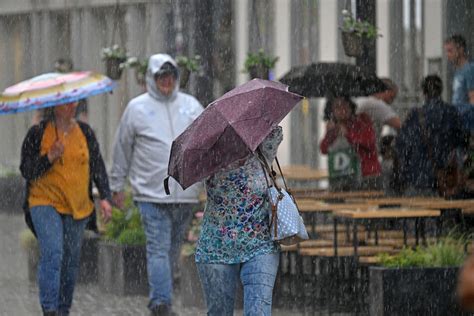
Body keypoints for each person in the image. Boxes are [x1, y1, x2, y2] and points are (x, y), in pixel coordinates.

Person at [109, 54, 203, 316]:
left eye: (171, 76)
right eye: (162, 77)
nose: (167, 81)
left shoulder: (191, 106)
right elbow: (122, 149)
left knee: (172, 250)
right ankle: (161, 302)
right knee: (159, 249)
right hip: (151, 195)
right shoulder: (136, 109)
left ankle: (162, 297)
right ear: (152, 78)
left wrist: (208, 181)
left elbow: (205, 144)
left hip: (185, 194)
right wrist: (116, 185)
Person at [20, 102, 112, 316]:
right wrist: (49, 158)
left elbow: (97, 165)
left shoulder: (85, 132)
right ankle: (49, 309)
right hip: (44, 202)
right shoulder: (37, 133)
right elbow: (27, 170)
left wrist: (105, 197)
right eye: (65, 102)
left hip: (78, 206)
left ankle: (63, 309)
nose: (72, 106)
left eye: (74, 101)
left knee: (70, 262)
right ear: (54, 106)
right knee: (53, 252)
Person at [195, 126, 283, 316]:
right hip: (216, 248)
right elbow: (194, 176)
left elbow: (274, 130)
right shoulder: (209, 159)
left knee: (258, 311)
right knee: (219, 312)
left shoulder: (262, 150)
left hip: (260, 245)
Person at [395, 75, 468, 197]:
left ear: (424, 92)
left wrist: (402, 176)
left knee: (417, 213)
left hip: (417, 179)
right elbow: (462, 142)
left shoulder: (415, 115)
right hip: (446, 181)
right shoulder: (451, 113)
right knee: (446, 213)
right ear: (441, 91)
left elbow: (402, 146)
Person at [320, 96, 381, 190]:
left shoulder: (362, 121)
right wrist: (330, 134)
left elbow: (369, 143)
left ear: (351, 107)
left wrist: (348, 134)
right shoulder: (333, 128)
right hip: (340, 177)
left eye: (345, 105)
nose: (342, 110)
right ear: (331, 111)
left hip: (367, 176)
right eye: (337, 107)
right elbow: (324, 149)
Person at [355, 78, 401, 147]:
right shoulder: (376, 104)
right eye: (391, 97)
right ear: (386, 91)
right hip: (364, 149)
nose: (391, 102)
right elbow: (401, 126)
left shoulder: (360, 100)